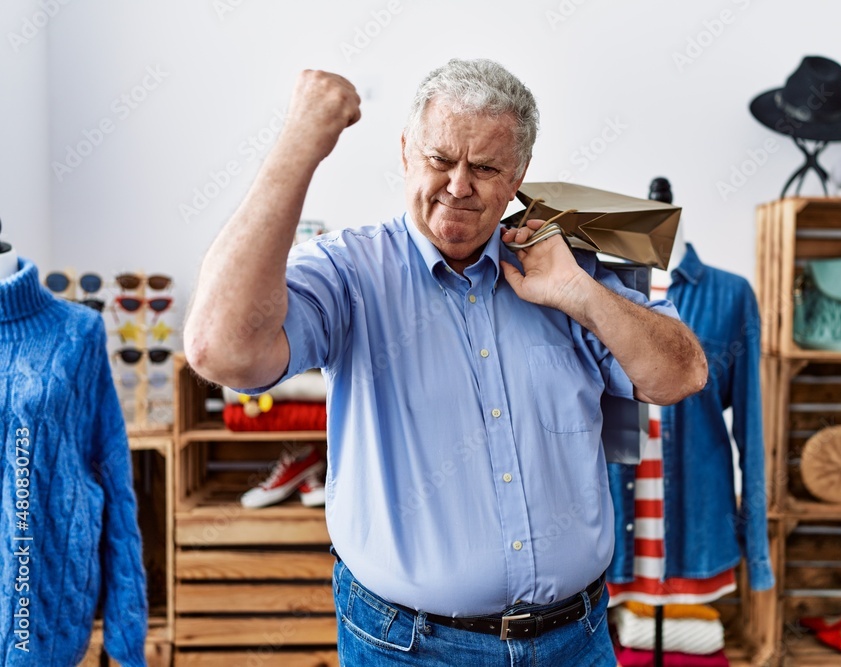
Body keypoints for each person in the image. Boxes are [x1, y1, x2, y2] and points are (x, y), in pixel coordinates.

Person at [184, 58, 707, 666]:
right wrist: (302, 142)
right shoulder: (348, 272)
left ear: (519, 176)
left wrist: (581, 295)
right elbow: (220, 351)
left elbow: (682, 375)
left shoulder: (566, 266)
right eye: (440, 159)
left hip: (578, 639)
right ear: (406, 151)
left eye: (485, 167)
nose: (460, 185)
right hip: (408, 648)